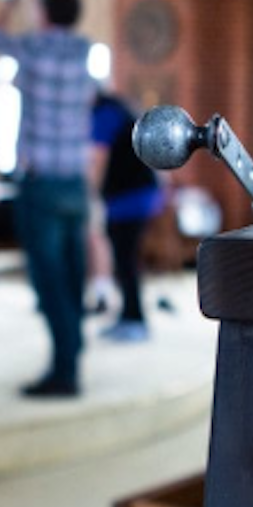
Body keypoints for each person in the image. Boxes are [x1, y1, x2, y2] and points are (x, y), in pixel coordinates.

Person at [0, 0, 96, 398]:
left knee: (48, 278)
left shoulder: (32, 48)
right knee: (71, 274)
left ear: (44, 14)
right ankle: (75, 346)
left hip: (42, 183)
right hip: (75, 182)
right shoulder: (84, 51)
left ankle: (64, 371)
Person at [91, 91, 163, 342]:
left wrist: (91, 197)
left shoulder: (104, 114)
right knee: (125, 259)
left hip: (130, 198)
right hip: (136, 194)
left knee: (125, 260)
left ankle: (135, 320)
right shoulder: (116, 109)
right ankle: (127, 315)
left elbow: (98, 159)